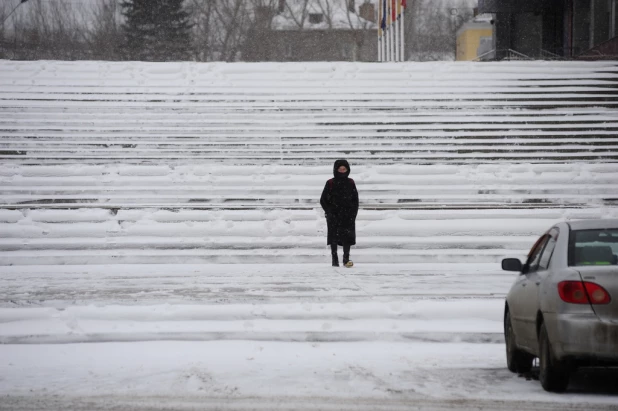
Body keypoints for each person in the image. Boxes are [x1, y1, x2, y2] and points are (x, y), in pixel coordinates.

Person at [320, 159, 359, 267]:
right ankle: (334, 260)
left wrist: (353, 215)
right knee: (334, 238)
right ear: (336, 170)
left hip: (348, 215)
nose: (342, 171)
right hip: (334, 215)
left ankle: (346, 259)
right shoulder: (330, 183)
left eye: (344, 169)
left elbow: (355, 200)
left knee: (347, 238)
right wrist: (329, 212)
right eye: (340, 169)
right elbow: (323, 200)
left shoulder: (351, 182)